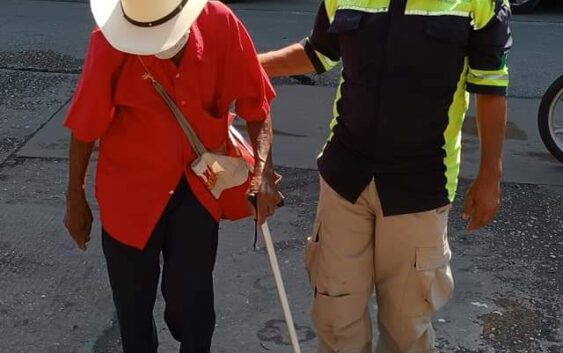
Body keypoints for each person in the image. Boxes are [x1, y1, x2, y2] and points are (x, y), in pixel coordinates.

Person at [259, 0, 512, 352]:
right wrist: (253, 65)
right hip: (344, 178)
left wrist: (490, 176)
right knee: (335, 314)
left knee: (406, 327)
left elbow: (490, 85)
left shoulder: (480, 3)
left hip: (421, 184)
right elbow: (318, 53)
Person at [63, 0, 281, 352]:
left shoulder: (221, 23)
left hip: (196, 188)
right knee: (133, 310)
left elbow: (257, 105)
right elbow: (85, 125)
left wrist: (264, 172)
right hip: (128, 194)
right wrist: (75, 197)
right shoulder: (108, 41)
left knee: (192, 307)